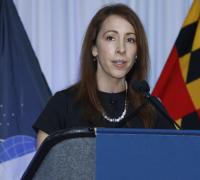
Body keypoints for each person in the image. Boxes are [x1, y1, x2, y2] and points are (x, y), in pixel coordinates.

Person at [33, 3, 176, 148]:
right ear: (94, 48)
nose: (121, 49)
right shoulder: (62, 105)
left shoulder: (151, 108)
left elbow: (175, 163)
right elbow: (47, 169)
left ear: (137, 53)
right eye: (110, 38)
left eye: (130, 40)